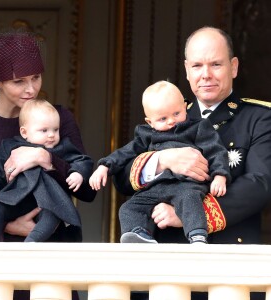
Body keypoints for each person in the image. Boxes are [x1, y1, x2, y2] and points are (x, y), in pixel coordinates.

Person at [114, 26, 271, 300]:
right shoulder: (166, 114)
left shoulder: (259, 118)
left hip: (230, 267)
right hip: (166, 269)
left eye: (216, 64)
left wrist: (186, 214)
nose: (206, 74)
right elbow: (121, 174)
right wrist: (161, 160)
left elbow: (259, 183)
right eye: (197, 65)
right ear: (186, 70)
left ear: (233, 67)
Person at [0, 28, 95, 299]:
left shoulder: (58, 118)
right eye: (19, 81)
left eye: (36, 78)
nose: (31, 89)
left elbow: (87, 191)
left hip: (51, 258)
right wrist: (7, 224)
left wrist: (47, 159)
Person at [90, 80, 231, 244]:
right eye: (163, 118)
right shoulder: (146, 134)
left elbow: (215, 151)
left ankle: (198, 235)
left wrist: (220, 175)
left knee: (190, 199)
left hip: (186, 184)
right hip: (156, 187)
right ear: (149, 122)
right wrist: (104, 166)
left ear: (185, 106)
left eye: (176, 114)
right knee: (128, 208)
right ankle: (138, 234)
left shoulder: (199, 127)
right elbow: (126, 152)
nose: (171, 121)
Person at [0, 99, 94, 242]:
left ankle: (31, 244)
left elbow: (82, 160)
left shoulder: (62, 147)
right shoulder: (10, 146)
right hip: (16, 198)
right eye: (44, 130)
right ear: (24, 132)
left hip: (49, 200)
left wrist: (77, 173)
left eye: (56, 129)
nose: (51, 135)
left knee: (52, 215)